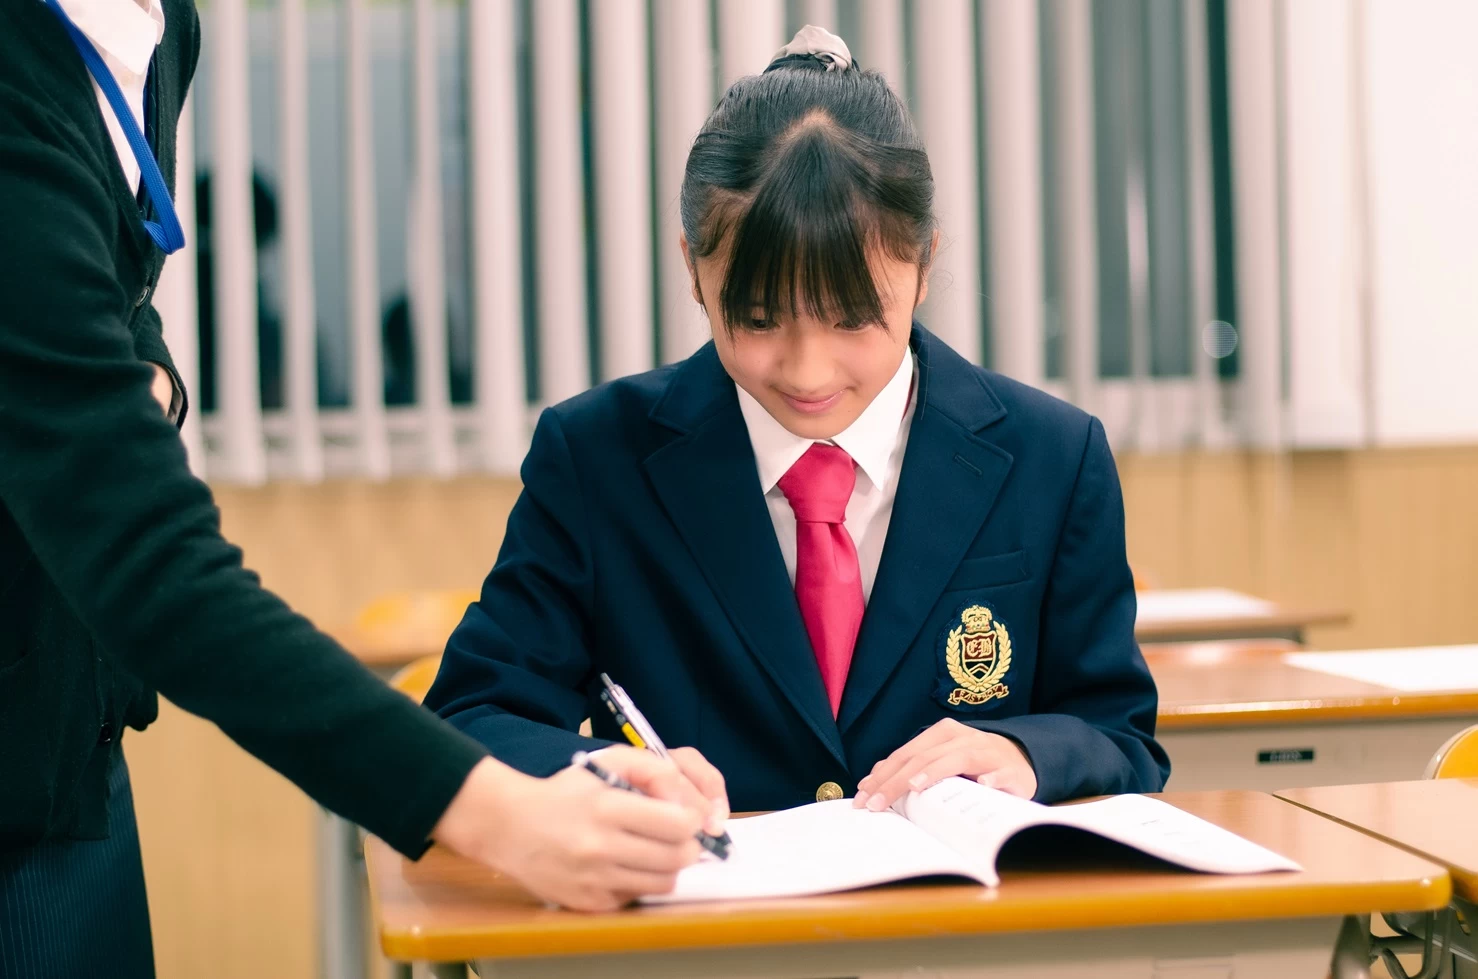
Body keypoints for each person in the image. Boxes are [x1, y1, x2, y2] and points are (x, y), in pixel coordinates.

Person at [0, 2, 712, 974]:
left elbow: (108, 287)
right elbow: (149, 563)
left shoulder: (153, 27)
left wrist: (142, 377)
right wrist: (490, 812)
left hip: (58, 728)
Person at [426, 25, 1169, 817]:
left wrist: (1022, 751)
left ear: (923, 266)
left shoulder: (1050, 457)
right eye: (758, 319)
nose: (808, 372)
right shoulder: (596, 458)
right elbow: (473, 717)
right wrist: (609, 770)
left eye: (852, 320)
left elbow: (1119, 735)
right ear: (692, 269)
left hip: (963, 926)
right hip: (703, 927)